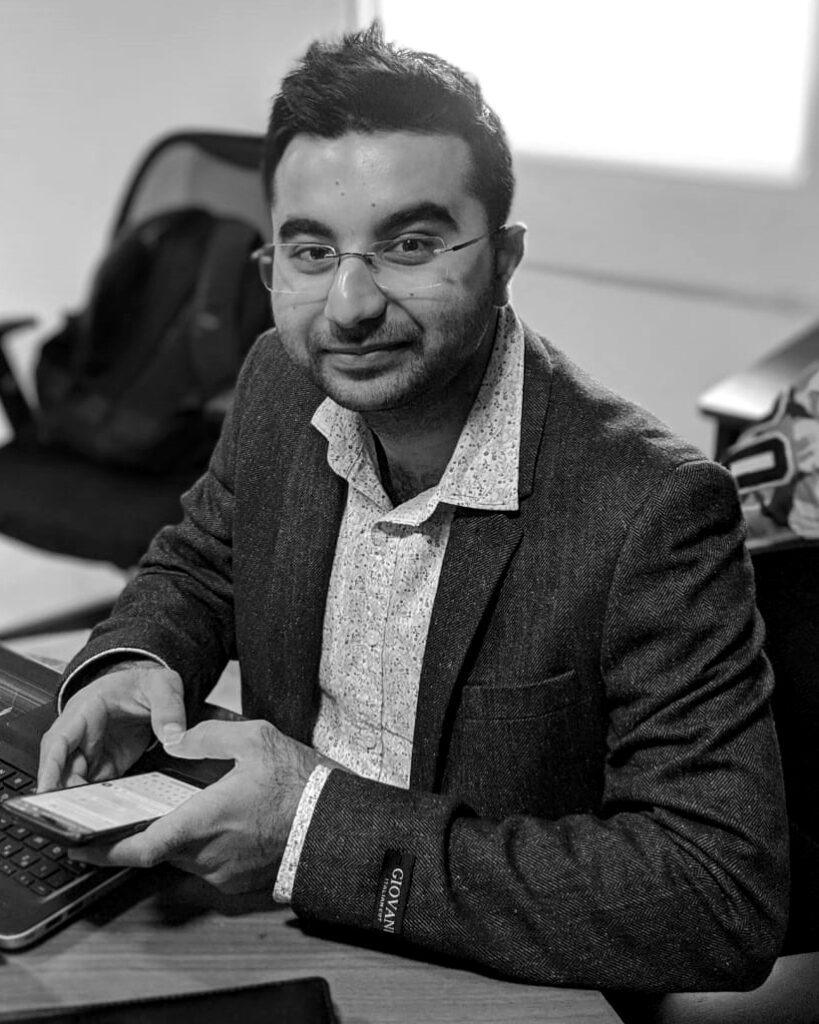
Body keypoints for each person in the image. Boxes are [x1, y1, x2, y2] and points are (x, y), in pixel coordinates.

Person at [38, 25, 788, 993]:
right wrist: (136, 661)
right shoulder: (278, 380)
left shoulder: (651, 507)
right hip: (257, 921)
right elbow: (203, 558)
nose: (349, 304)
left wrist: (312, 832)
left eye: (409, 244)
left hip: (491, 976)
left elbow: (717, 894)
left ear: (504, 257)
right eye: (311, 250)